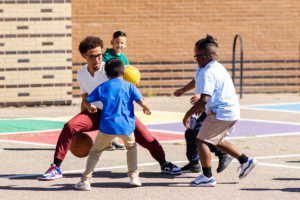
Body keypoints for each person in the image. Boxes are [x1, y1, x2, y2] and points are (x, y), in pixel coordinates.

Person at [41, 36, 182, 181]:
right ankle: (56, 167)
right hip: (97, 113)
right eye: (92, 56)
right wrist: (81, 120)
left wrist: (136, 85)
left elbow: (128, 74)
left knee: (147, 139)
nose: (97, 59)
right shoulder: (81, 74)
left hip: (121, 114)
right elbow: (85, 99)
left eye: (99, 55)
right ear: (84, 56)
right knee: (70, 126)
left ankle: (164, 163)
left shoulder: (109, 68)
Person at [182, 35, 257, 187]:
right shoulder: (218, 67)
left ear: (204, 57)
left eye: (196, 56)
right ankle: (245, 161)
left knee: (201, 140)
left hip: (221, 112)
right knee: (216, 140)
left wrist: (187, 114)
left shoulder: (209, 72)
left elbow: (204, 99)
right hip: (230, 111)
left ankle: (207, 176)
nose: (195, 59)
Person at [74, 59, 151, 190]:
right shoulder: (130, 86)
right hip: (126, 127)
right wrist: (146, 107)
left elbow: (86, 100)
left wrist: (90, 106)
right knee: (131, 148)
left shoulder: (103, 86)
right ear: (124, 73)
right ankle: (134, 176)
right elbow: (142, 101)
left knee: (95, 152)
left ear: (107, 74)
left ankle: (86, 180)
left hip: (107, 127)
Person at [174, 40, 233, 173]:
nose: (195, 53)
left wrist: (200, 96)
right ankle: (194, 162)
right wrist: (183, 89)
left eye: (196, 51)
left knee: (200, 133)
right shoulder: (201, 67)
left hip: (210, 105)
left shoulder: (210, 69)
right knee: (190, 132)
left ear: (203, 54)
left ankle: (223, 153)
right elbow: (197, 81)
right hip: (203, 106)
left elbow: (210, 90)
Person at [102, 30, 129, 150]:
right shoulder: (107, 55)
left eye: (122, 43)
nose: (120, 45)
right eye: (117, 42)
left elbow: (127, 74)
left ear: (125, 45)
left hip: (120, 91)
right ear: (112, 42)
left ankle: (114, 141)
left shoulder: (124, 58)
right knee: (109, 115)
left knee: (117, 115)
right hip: (109, 90)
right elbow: (105, 67)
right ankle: (106, 142)